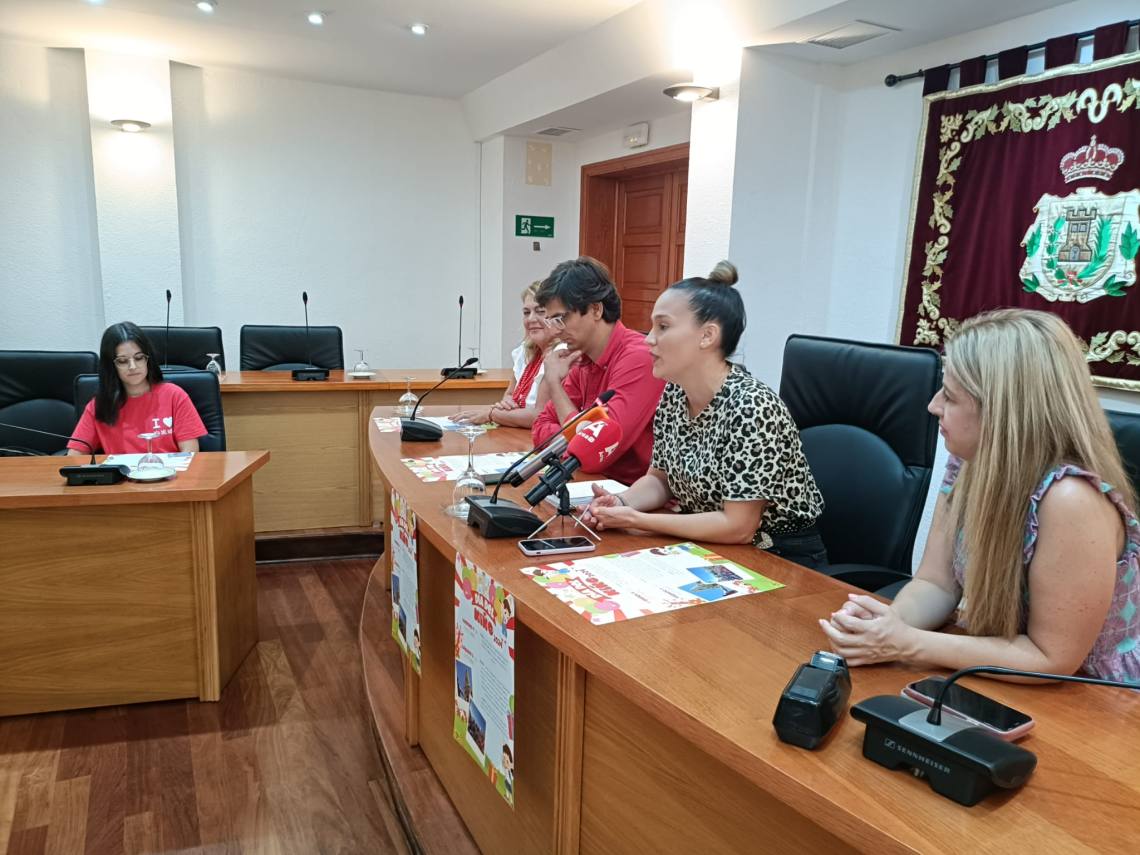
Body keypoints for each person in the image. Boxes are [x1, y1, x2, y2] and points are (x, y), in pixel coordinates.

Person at [819, 309, 1140, 682]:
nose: (933, 406)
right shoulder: (968, 462)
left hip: (1094, 698)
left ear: (1002, 411)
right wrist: (886, 626)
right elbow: (936, 584)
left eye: (950, 396)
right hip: (1001, 672)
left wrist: (906, 643)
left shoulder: (1070, 499)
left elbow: (1052, 659)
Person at [581, 262, 827, 569]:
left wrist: (637, 519)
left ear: (707, 336)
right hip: (708, 546)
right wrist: (621, 502)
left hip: (778, 556)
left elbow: (738, 527)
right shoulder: (674, 393)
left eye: (663, 327)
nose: (648, 339)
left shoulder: (752, 407)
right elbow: (660, 480)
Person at [531, 257, 665, 485]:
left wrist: (554, 383)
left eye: (561, 318)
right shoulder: (583, 359)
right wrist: (578, 439)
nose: (555, 331)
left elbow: (592, 453)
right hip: (594, 484)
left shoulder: (638, 358)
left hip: (636, 494)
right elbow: (540, 430)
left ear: (595, 309)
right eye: (552, 321)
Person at [68, 322, 207, 455]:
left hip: (170, 471)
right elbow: (74, 456)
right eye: (122, 361)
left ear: (148, 359)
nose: (133, 366)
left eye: (139, 358)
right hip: (121, 472)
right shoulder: (99, 405)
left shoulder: (174, 395)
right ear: (111, 366)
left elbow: (190, 451)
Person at [452, 282, 561, 428]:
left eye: (540, 311)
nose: (531, 319)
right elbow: (509, 395)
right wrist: (506, 406)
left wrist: (492, 414)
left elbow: (540, 416)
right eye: (526, 313)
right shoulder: (525, 351)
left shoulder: (561, 354)